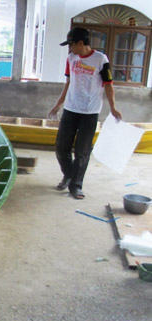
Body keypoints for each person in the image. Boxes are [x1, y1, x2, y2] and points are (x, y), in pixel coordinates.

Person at [48, 27, 122, 200]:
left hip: (90, 112)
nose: (70, 48)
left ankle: (76, 185)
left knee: (82, 151)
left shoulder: (100, 59)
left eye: (71, 44)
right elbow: (68, 83)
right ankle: (69, 175)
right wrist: (58, 105)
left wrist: (113, 107)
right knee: (61, 147)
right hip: (70, 110)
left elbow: (109, 85)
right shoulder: (71, 58)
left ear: (80, 43)